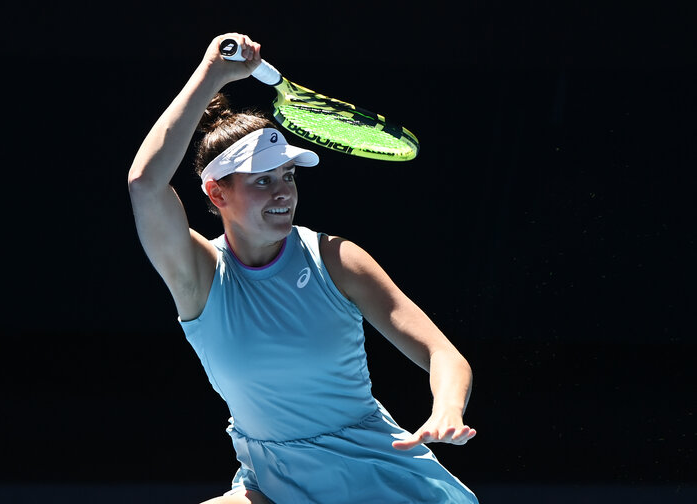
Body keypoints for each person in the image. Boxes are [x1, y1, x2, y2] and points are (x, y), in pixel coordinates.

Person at [128, 33, 479, 504]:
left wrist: (447, 409)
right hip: (271, 480)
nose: (283, 192)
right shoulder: (199, 275)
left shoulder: (336, 259)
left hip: (374, 473)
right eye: (262, 180)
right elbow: (145, 184)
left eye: (288, 176)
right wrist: (212, 74)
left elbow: (442, 354)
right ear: (216, 193)